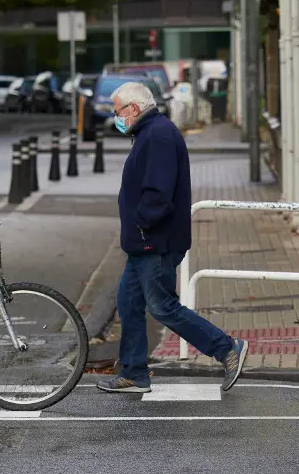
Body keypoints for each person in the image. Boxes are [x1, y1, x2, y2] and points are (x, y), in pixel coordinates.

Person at [96, 81, 248, 394]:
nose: (116, 117)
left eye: (118, 111)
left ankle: (227, 348)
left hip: (155, 241)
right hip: (145, 242)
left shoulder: (157, 135)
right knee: (128, 302)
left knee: (163, 307)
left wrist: (141, 224)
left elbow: (158, 193)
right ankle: (135, 372)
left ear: (133, 109)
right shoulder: (149, 133)